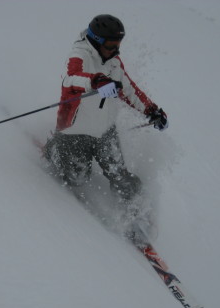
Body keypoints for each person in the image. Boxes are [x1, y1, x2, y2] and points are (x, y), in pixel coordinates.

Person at [44, 14, 168, 203]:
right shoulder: (80, 53)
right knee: (77, 178)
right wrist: (96, 81)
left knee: (120, 177)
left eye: (118, 44)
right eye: (111, 44)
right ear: (96, 40)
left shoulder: (114, 61)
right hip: (75, 132)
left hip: (105, 132)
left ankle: (137, 210)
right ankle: (53, 149)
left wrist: (151, 110)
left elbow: (128, 89)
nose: (116, 49)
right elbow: (71, 78)